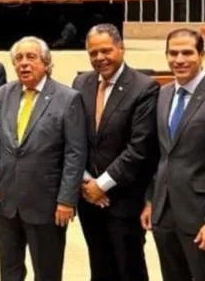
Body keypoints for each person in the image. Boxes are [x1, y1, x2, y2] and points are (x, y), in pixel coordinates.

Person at [0, 36, 87, 281]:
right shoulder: (5, 94)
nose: (24, 64)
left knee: (47, 272)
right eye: (19, 58)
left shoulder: (68, 98)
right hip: (7, 203)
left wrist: (67, 200)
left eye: (31, 58)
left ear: (46, 64)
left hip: (47, 205)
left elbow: (75, 153)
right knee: (10, 271)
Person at [142, 28, 205, 281]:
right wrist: (151, 200)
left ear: (202, 55)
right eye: (173, 53)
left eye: (187, 52)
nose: (179, 59)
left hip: (201, 216)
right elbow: (160, 154)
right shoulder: (162, 95)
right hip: (164, 212)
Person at [72, 24, 158, 281]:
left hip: (124, 199)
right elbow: (75, 137)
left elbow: (139, 148)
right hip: (88, 199)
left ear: (121, 48)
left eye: (106, 51)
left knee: (128, 269)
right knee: (99, 268)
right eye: (93, 53)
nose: (100, 58)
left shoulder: (144, 88)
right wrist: (87, 181)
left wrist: (103, 185)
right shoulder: (82, 82)